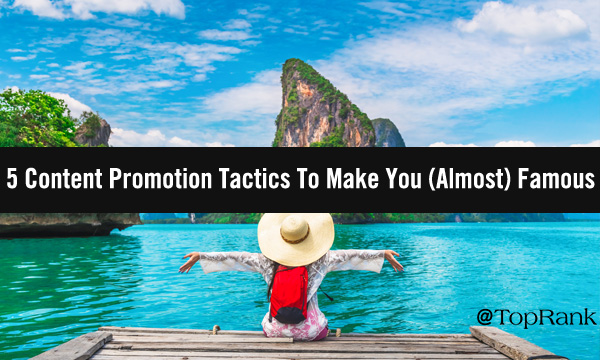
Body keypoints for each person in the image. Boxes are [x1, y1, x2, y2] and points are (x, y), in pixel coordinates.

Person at [178, 213, 404, 341]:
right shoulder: (321, 261)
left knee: (269, 321)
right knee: (322, 323)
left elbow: (236, 258)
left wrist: (202, 256)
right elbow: (352, 256)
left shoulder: (266, 262)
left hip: (274, 332)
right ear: (310, 237)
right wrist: (382, 254)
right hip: (312, 333)